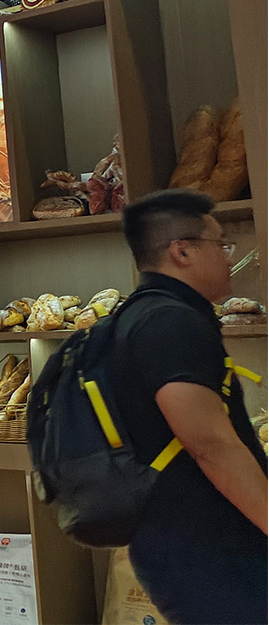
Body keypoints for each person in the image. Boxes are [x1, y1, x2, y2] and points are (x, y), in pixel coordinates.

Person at [113, 189, 266, 623]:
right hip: (210, 551)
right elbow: (209, 444)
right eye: (221, 245)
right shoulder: (169, 322)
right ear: (181, 251)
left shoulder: (140, 314)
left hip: (183, 544)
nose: (228, 257)